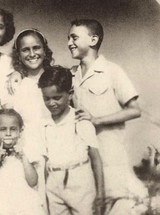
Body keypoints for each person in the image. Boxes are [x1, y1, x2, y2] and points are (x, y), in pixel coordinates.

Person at [67, 19, 148, 213]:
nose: (69, 42)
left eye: (74, 37)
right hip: (85, 162)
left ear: (93, 39)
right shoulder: (72, 75)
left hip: (111, 159)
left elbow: (135, 110)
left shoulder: (112, 71)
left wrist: (97, 120)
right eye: (68, 38)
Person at [38, 66, 104, 215]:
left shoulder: (80, 120)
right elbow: (44, 162)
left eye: (57, 97)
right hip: (54, 182)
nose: (51, 103)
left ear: (69, 94)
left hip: (80, 181)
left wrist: (100, 194)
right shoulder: (44, 124)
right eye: (46, 98)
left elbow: (96, 158)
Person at [5, 28, 54, 212]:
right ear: (18, 54)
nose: (32, 54)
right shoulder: (15, 84)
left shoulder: (56, 78)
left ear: (44, 49)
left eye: (37, 48)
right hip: (29, 153)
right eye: (26, 50)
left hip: (57, 148)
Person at [0, 109, 45, 215]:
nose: (8, 134)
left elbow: (33, 181)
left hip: (26, 205)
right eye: (3, 129)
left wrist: (23, 157)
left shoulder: (26, 152)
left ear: (20, 132)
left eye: (13, 129)